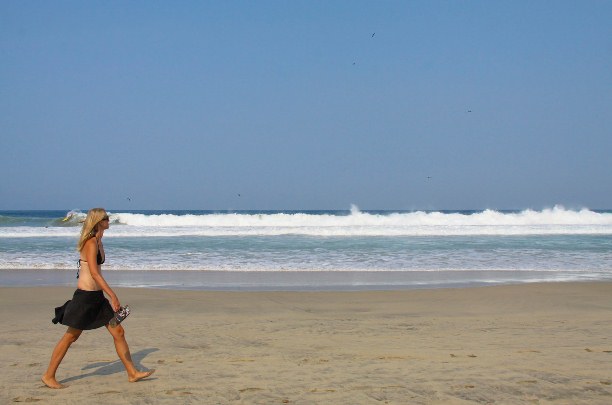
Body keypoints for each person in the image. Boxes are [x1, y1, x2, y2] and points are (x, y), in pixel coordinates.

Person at [42, 208, 154, 389]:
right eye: (106, 218)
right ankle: (48, 375)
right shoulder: (91, 243)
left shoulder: (99, 241)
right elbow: (94, 273)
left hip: (97, 298)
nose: (109, 220)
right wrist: (113, 295)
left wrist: (106, 296)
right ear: (98, 221)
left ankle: (132, 373)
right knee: (71, 337)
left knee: (118, 332)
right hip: (85, 298)